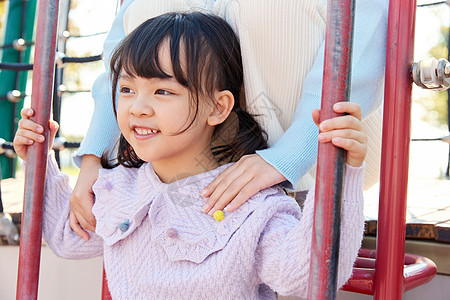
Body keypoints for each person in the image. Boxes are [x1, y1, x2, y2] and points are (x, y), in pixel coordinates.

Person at [14, 12, 367, 299]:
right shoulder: (121, 186)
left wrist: (342, 174)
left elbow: (304, 277)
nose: (138, 108)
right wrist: (38, 159)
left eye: (163, 91)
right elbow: (67, 236)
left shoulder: (246, 203)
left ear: (218, 107)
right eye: (126, 89)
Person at [69, 0, 387, 240]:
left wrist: (287, 158)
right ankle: (161, 174)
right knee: (151, 8)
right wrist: (94, 157)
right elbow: (117, 58)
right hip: (177, 168)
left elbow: (365, 35)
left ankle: (285, 179)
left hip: (310, 159)